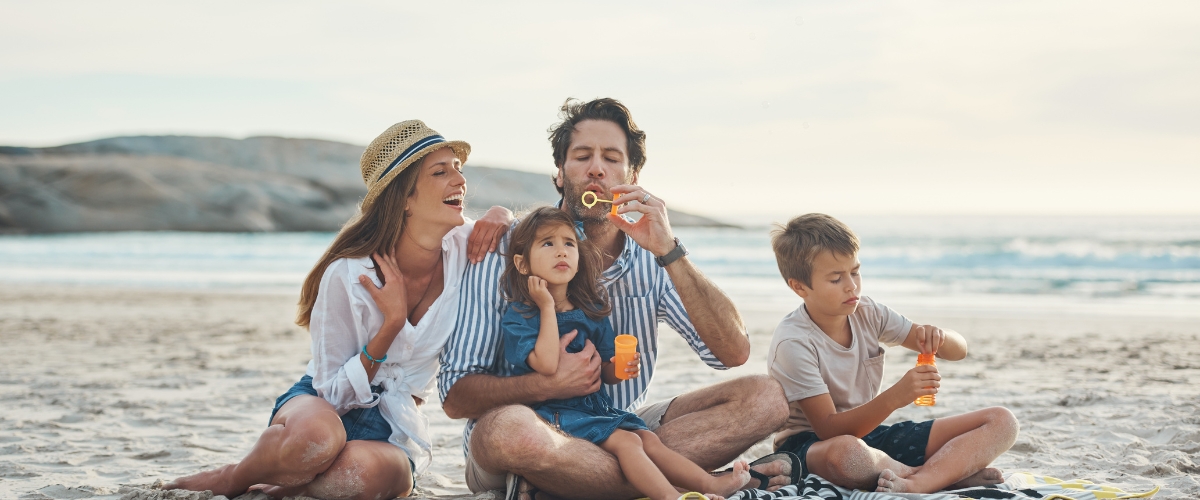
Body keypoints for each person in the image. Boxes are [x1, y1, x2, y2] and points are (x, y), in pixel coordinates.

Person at [438, 98, 795, 500]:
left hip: (618, 425)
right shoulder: (506, 251)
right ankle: (662, 486)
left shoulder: (654, 254)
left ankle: (578, 484)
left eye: (611, 157)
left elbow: (731, 352)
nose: (596, 168)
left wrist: (669, 251)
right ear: (559, 172)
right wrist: (543, 384)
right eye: (582, 156)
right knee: (510, 432)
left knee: (766, 398)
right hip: (533, 426)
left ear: (632, 174)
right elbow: (455, 397)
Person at [164, 120, 512, 499]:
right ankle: (235, 477)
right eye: (440, 171)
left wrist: (503, 214)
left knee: (358, 475)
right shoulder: (349, 274)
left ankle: (281, 488)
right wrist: (390, 325)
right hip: (320, 404)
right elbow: (331, 393)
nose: (460, 180)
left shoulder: (470, 248)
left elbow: (545, 238)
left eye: (459, 168)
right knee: (317, 439)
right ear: (404, 198)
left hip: (394, 423)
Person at [500, 207, 752, 500]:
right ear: (522, 264)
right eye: (548, 243)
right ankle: (670, 498)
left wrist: (620, 369)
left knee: (648, 440)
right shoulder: (521, 316)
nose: (561, 252)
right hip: (554, 416)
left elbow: (605, 373)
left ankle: (709, 485)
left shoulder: (589, 312)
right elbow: (545, 364)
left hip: (595, 408)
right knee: (628, 444)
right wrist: (545, 306)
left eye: (569, 243)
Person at [766, 213, 1020, 493]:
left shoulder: (868, 312)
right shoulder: (793, 341)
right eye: (836, 279)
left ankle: (922, 479)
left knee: (1001, 420)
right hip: (812, 446)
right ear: (799, 287)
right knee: (848, 454)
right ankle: (935, 476)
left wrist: (940, 336)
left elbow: (958, 351)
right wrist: (896, 397)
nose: (852, 285)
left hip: (870, 435)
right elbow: (828, 429)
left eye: (855, 271)